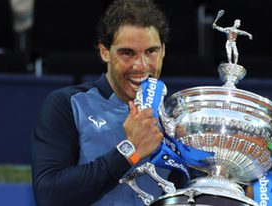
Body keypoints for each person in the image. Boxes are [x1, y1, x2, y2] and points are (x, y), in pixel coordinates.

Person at [31, 0, 175, 205]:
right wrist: (130, 150)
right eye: (127, 53)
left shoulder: (176, 117)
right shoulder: (68, 104)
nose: (141, 65)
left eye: (151, 51)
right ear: (104, 52)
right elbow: (50, 194)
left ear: (163, 51)